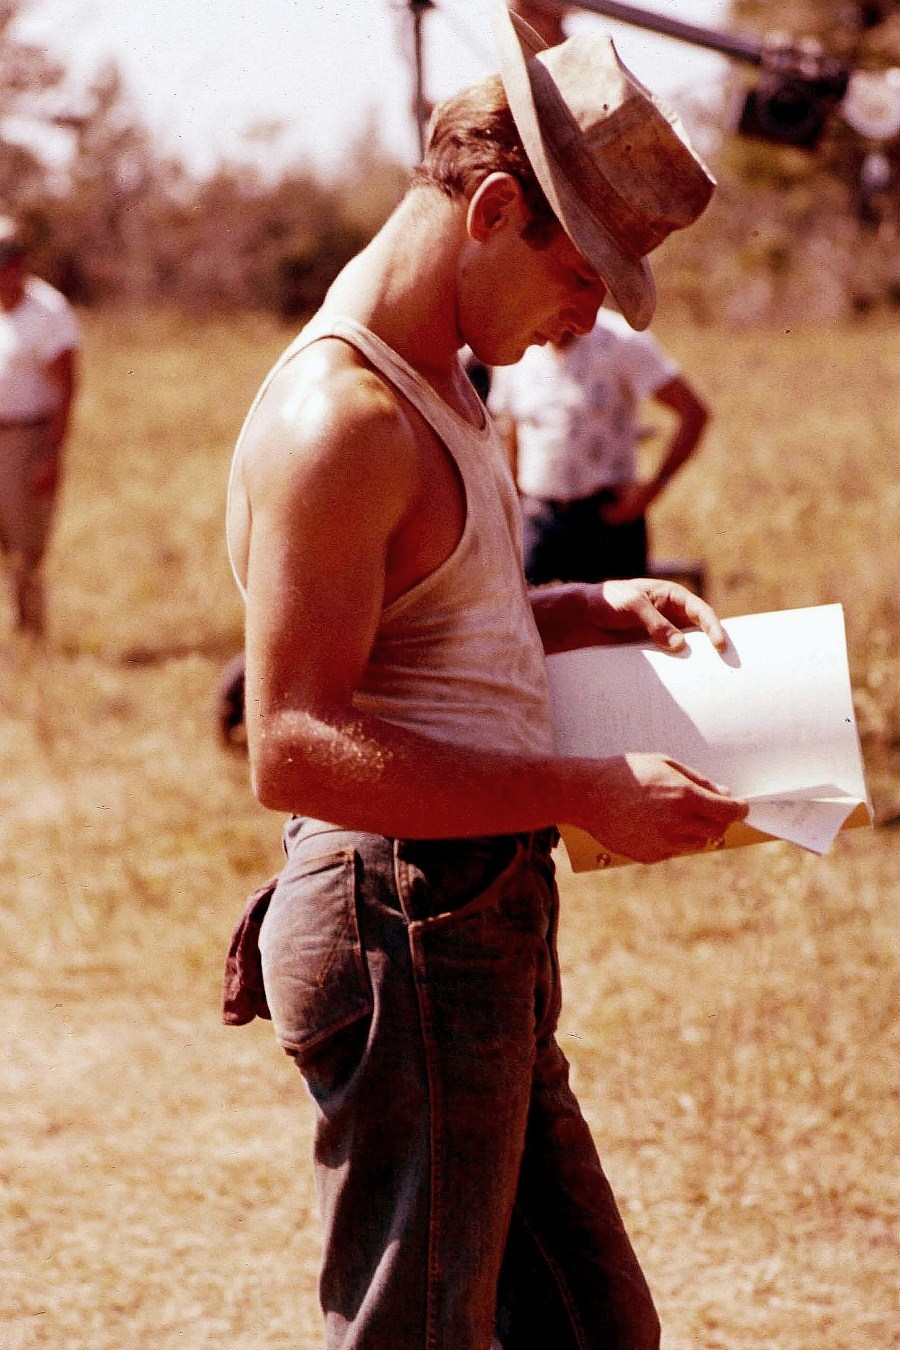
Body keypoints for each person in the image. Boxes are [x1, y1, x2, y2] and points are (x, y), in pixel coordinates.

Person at [223, 7, 747, 1346]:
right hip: (404, 924)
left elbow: (417, 626)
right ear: (495, 207)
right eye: (583, 278)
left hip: (471, 917)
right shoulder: (341, 416)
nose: (587, 324)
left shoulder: (436, 384)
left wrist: (578, 606)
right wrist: (583, 783)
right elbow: (289, 738)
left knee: (592, 1329)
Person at [488, 310, 710, 584]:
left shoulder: (620, 340)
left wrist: (652, 489)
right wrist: (513, 504)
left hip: (606, 522)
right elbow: (512, 429)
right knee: (531, 618)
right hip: (539, 519)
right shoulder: (516, 344)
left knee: (618, 620)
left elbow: (693, 412)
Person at [0, 215, 80, 636]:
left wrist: (50, 454)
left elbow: (66, 386)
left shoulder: (47, 312)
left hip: (25, 437)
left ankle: (30, 635)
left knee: (24, 543)